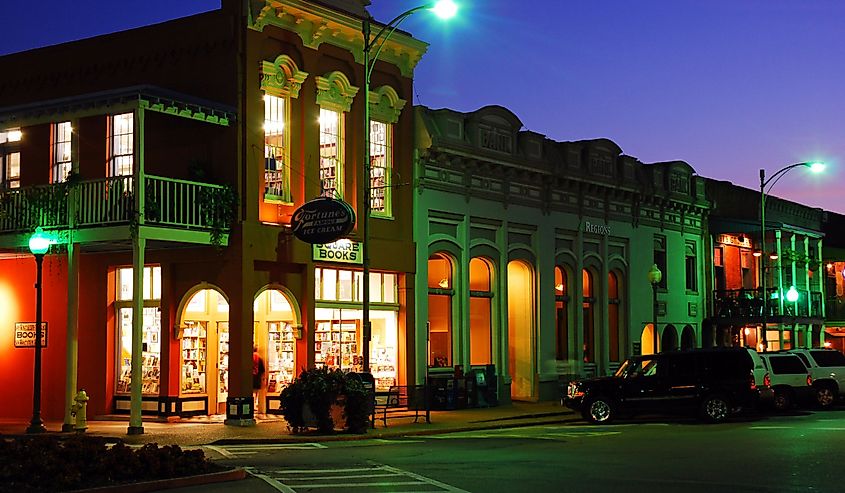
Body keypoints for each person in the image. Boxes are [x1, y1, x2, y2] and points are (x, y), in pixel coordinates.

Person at [252, 345, 265, 414]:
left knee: (250, 392)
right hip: (257, 377)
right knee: (255, 392)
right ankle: (254, 405)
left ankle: (250, 405)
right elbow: (262, 370)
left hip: (249, 377)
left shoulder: (248, 358)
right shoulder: (259, 358)